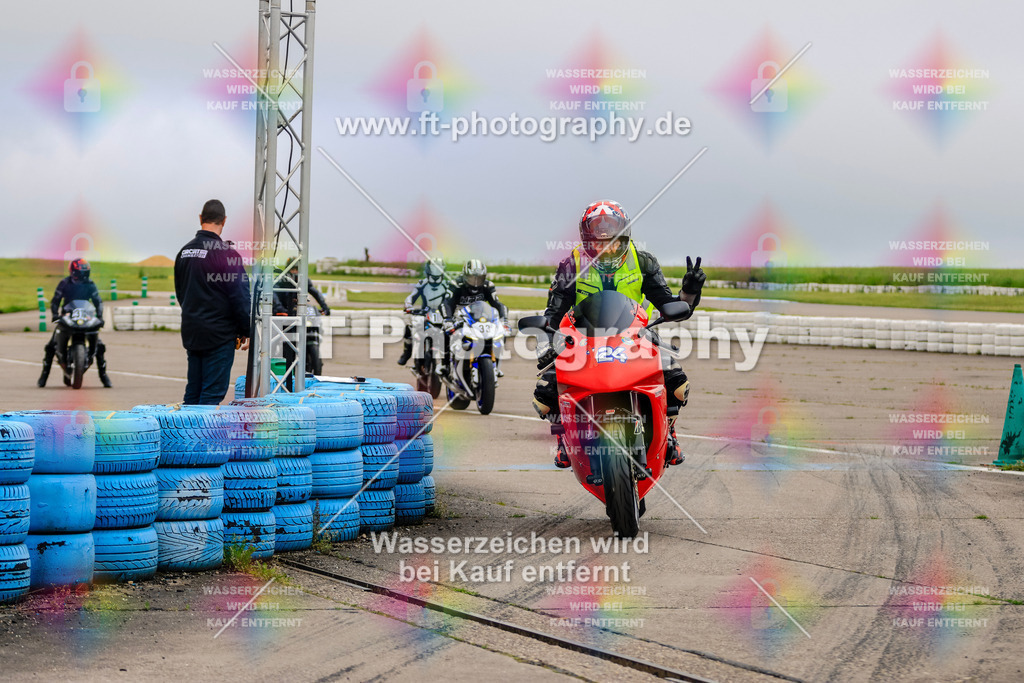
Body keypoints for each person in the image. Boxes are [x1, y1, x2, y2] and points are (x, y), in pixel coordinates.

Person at [533, 199, 706, 468]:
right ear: (587, 242)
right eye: (598, 244)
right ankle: (564, 438)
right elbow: (552, 314)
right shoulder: (571, 266)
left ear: (625, 238)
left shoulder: (644, 262)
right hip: (583, 341)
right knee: (544, 395)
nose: (606, 249)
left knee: (678, 385)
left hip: (636, 337)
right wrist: (547, 344)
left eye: (612, 243)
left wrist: (689, 293)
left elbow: (670, 305)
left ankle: (669, 433)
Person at [174, 199, 251, 405]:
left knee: (193, 392)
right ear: (224, 221)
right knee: (211, 394)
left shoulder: (184, 252)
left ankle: (187, 426)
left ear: (201, 218)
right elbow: (240, 297)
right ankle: (200, 428)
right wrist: (247, 330)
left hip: (192, 331)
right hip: (219, 335)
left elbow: (181, 293)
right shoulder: (227, 254)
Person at [37, 258, 112, 388]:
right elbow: (55, 300)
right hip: (68, 315)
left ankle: (103, 375)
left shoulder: (90, 284)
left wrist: (100, 316)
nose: (82, 275)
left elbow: (98, 301)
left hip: (86, 316)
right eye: (80, 272)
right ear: (73, 272)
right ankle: (44, 375)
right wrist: (55, 315)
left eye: (84, 272)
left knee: (100, 346)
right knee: (51, 346)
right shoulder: (64, 283)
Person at [441, 259, 509, 375]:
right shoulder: (456, 285)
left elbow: (497, 304)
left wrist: (504, 320)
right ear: (465, 276)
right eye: (472, 278)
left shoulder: (488, 285)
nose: (476, 282)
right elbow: (446, 303)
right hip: (459, 317)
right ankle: (445, 364)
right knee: (446, 332)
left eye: (479, 278)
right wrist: (447, 319)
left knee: (500, 333)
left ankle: (495, 366)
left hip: (479, 317)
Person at [272, 264, 331, 387]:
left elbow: (314, 292)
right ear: (288, 270)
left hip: (296, 310)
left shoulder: (304, 279)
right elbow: (274, 294)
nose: (295, 272)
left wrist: (324, 306)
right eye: (293, 269)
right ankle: (271, 360)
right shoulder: (281, 280)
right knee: (274, 338)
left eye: (297, 269)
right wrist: (279, 308)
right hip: (281, 312)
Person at [397, 259, 450, 366]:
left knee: (451, 333)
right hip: (424, 313)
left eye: (438, 275)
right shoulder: (422, 284)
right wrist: (408, 305)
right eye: (433, 275)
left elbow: (452, 299)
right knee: (409, 328)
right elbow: (412, 296)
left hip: (443, 314)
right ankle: (407, 353)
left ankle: (448, 361)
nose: (435, 278)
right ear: (428, 272)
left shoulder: (447, 285)